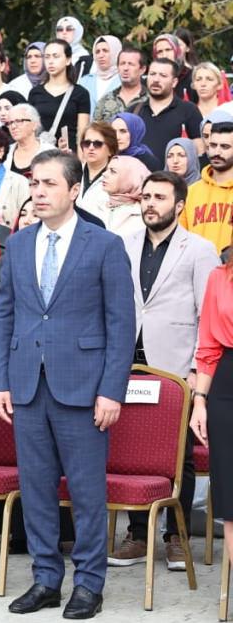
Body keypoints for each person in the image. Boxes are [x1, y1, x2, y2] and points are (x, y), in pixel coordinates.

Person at [0, 149, 134, 618]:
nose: (38, 192)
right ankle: (46, 580)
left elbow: (121, 323)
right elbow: (5, 314)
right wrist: (1, 382)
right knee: (35, 490)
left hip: (84, 387)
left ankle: (89, 585)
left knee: (88, 494)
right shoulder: (18, 244)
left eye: (49, 184)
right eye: (34, 183)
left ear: (74, 190)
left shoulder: (104, 244)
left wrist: (112, 390)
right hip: (28, 386)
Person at [111, 171, 220, 569]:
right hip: (127, 363)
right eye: (146, 196)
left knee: (179, 455)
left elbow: (207, 315)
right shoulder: (123, 243)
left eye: (159, 197)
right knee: (131, 449)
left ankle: (176, 537)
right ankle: (138, 536)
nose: (150, 203)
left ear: (179, 206)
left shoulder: (200, 249)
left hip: (174, 367)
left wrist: (196, 369)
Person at [189, 250, 233, 596]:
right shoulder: (220, 277)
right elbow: (209, 345)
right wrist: (199, 401)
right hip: (225, 388)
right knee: (231, 499)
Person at [137, 57, 205, 162]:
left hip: (175, 177)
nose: (156, 79)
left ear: (174, 82)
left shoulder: (189, 111)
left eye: (163, 75)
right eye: (152, 74)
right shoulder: (134, 110)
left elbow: (200, 151)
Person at [28, 40, 90, 151]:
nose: (50, 61)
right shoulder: (35, 93)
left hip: (68, 156)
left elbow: (82, 133)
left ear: (68, 60)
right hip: (40, 155)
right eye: (47, 57)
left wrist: (81, 163)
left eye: (56, 56)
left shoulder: (80, 93)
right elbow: (29, 130)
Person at [181, 121, 233, 253]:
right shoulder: (191, 191)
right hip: (196, 269)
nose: (217, 152)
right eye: (213, 145)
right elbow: (180, 240)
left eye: (225, 146)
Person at [75, 121, 118, 225]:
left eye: (97, 144)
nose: (91, 147)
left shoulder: (118, 178)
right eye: (86, 143)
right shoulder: (73, 171)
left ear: (110, 150)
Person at [93, 45, 147, 122]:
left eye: (131, 64)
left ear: (142, 69)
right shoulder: (105, 100)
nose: (125, 68)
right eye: (122, 63)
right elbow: (96, 130)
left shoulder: (150, 99)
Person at [102, 155, 148, 238]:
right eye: (106, 170)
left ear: (131, 178)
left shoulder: (143, 217)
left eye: (113, 171)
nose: (104, 174)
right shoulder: (97, 205)